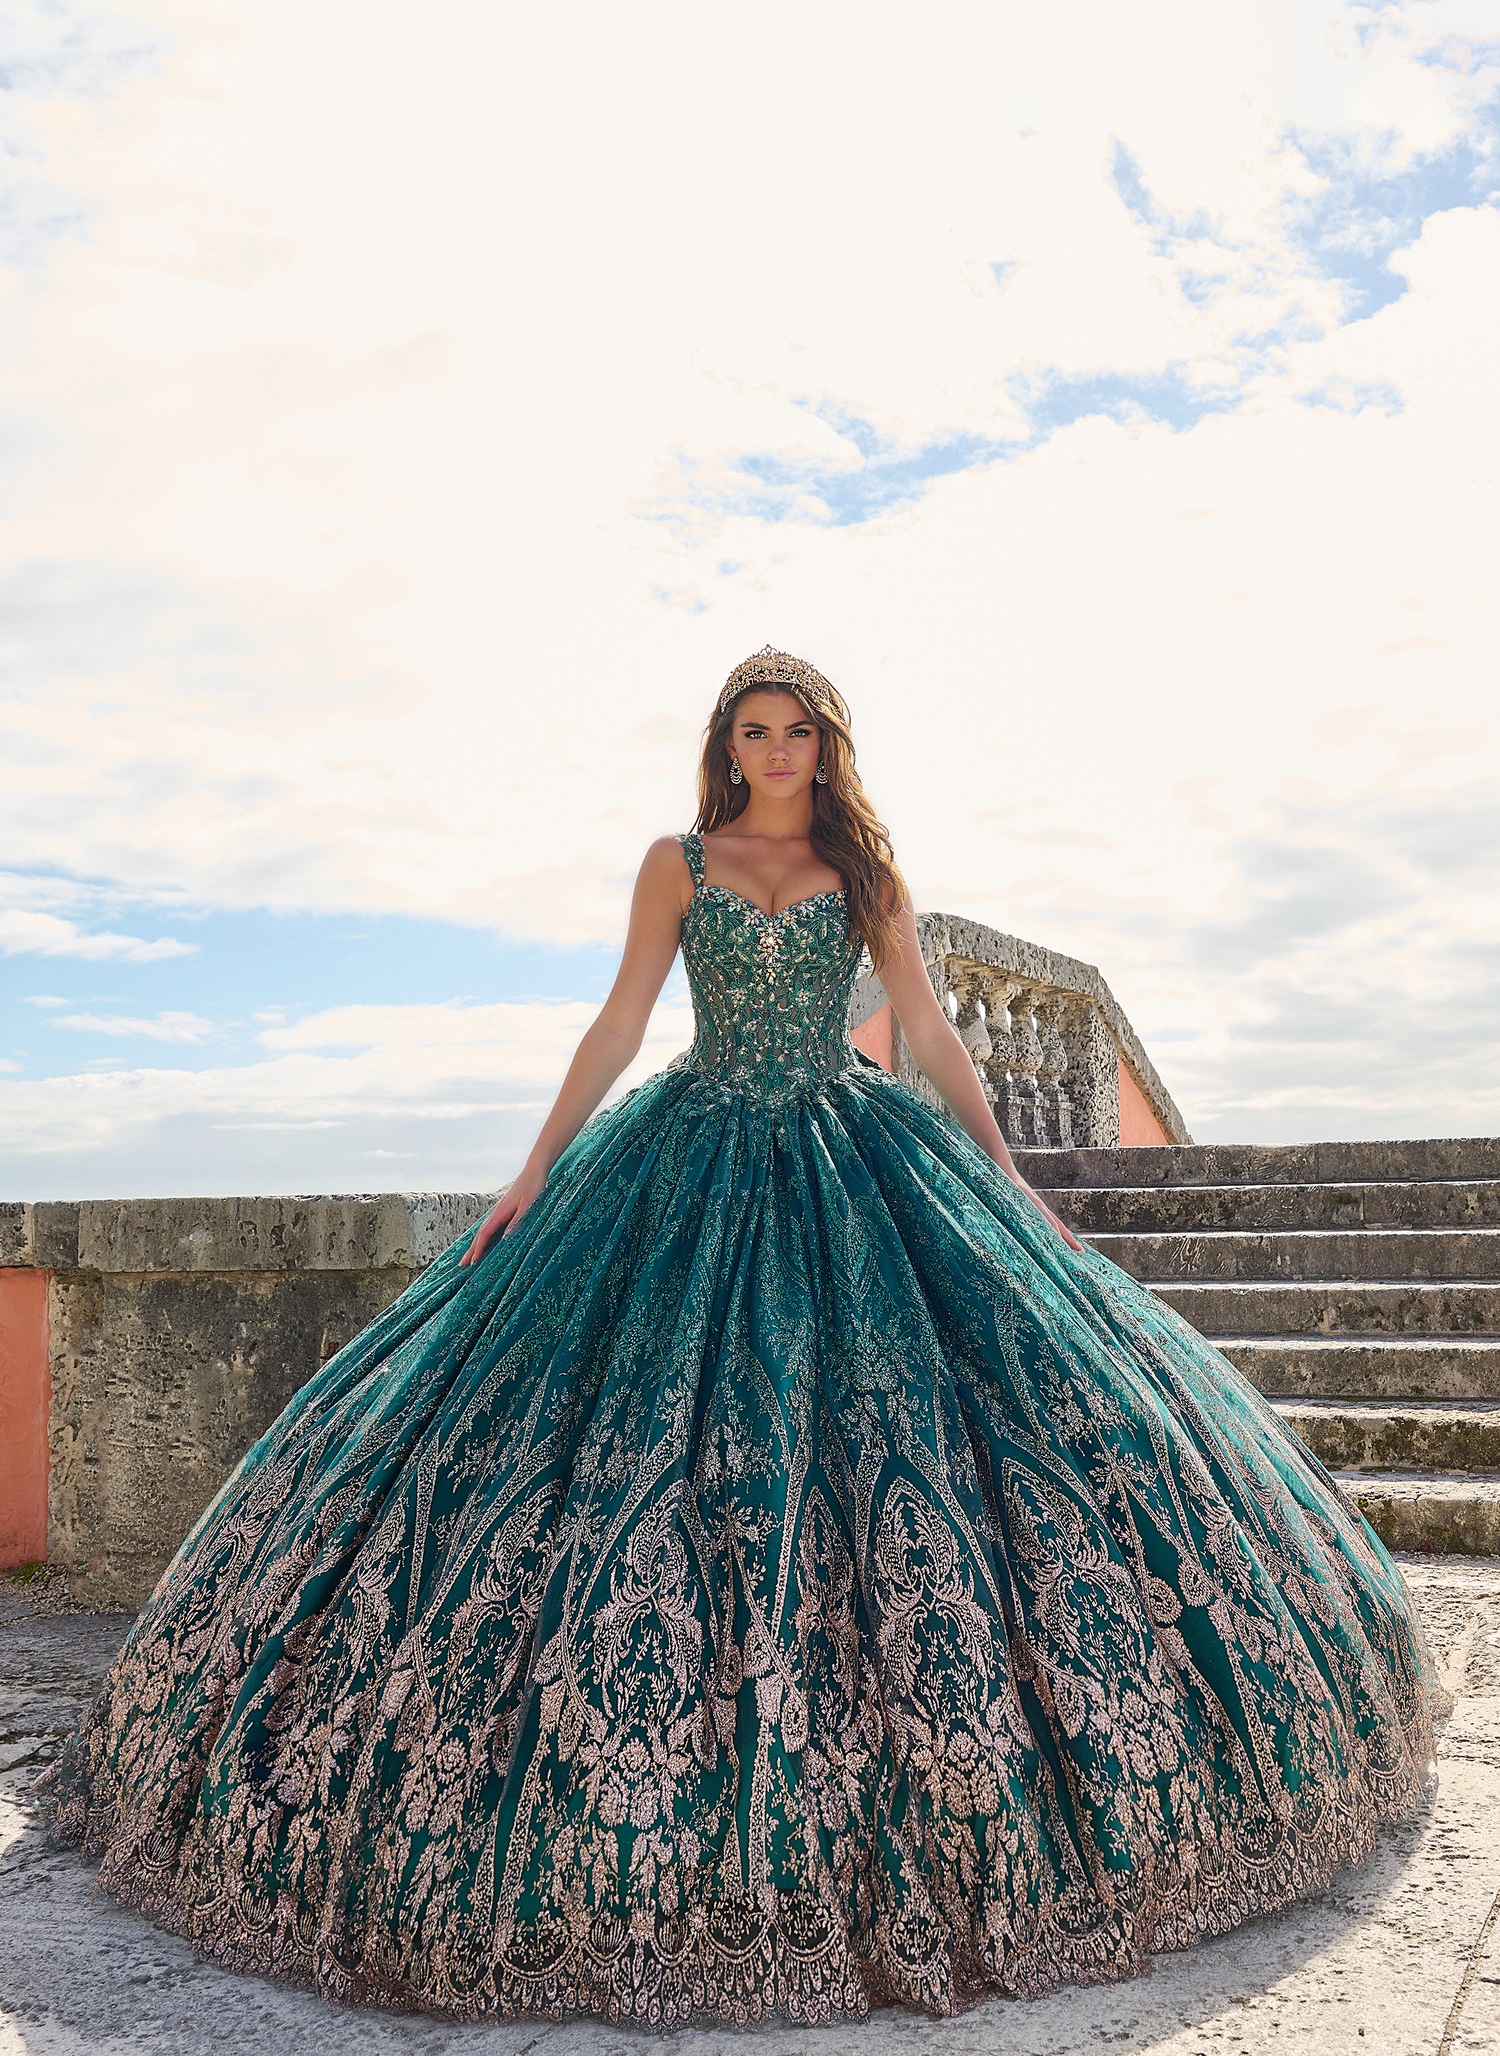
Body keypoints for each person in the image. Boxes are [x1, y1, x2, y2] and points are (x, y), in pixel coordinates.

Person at [42, 646, 1441, 2028]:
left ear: (827, 746)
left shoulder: (872, 877)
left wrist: (1007, 1174)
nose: (778, 752)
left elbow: (938, 1037)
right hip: (688, 1153)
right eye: (756, 731)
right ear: (728, 744)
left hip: (853, 1154)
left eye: (799, 732)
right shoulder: (679, 862)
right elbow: (621, 1020)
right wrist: (533, 1170)